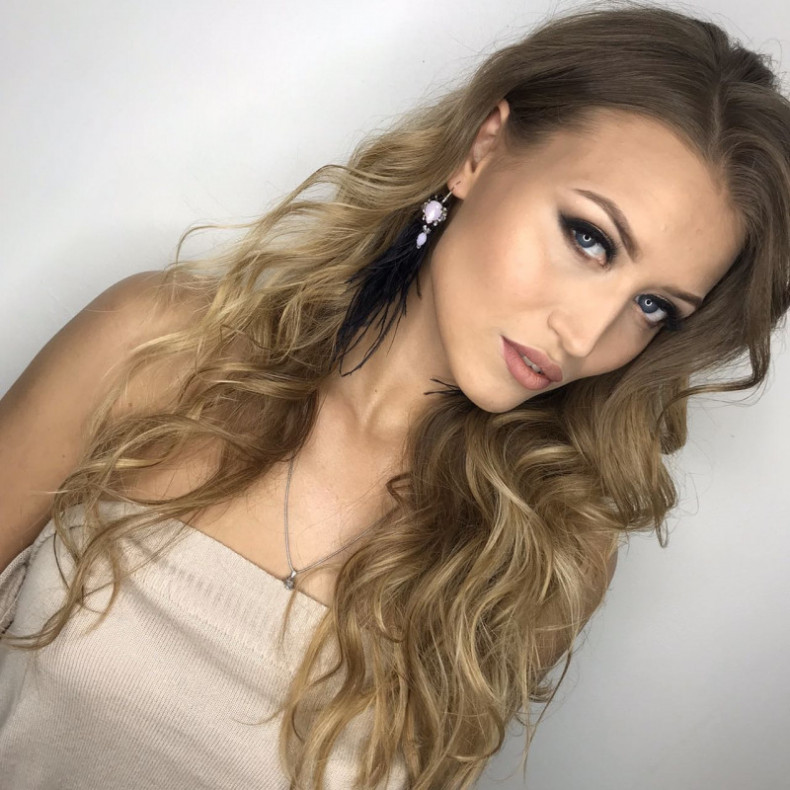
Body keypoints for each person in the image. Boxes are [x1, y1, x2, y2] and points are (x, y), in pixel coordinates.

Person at [1, 2, 789, 789]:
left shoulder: (544, 553)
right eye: (589, 238)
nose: (585, 336)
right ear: (482, 150)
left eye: (653, 307)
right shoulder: (157, 351)